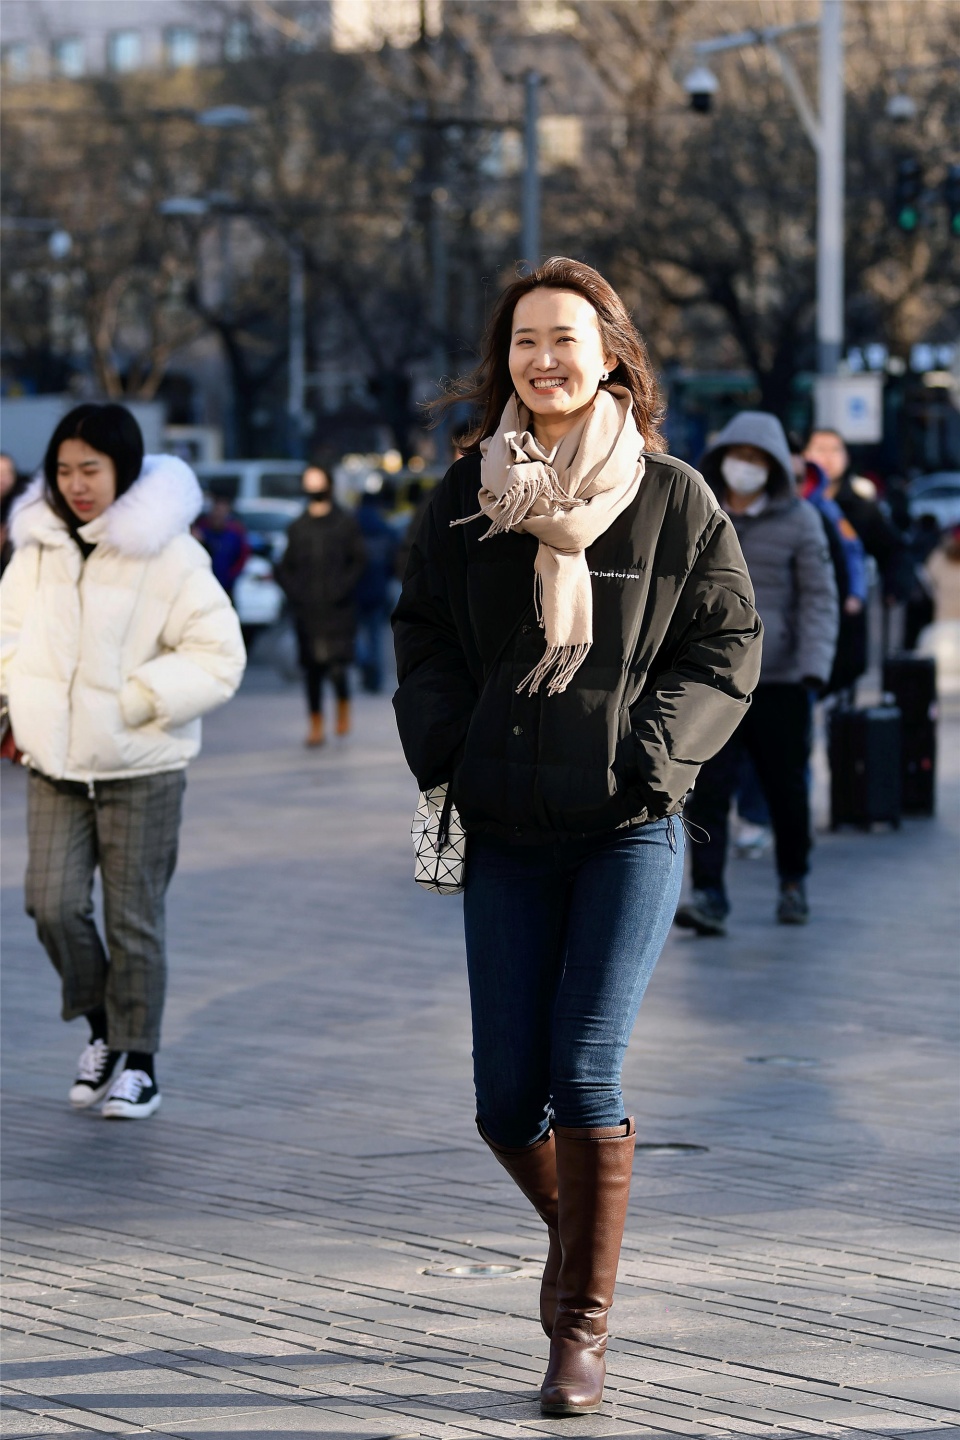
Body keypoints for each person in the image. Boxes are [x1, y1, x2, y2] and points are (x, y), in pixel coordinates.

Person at [392, 257, 762, 1417]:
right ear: (503, 362)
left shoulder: (673, 497)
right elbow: (421, 636)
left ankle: (578, 1332)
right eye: (522, 343)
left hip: (628, 831)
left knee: (583, 1070)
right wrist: (449, 744)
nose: (542, 360)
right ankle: (586, 1243)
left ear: (611, 354)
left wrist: (654, 756)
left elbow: (727, 646)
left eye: (565, 338)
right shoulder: (467, 498)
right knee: (507, 1099)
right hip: (505, 827)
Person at [0, 404, 246, 1119]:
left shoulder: (166, 553)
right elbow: (7, 635)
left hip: (142, 765)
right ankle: (106, 1030)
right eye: (64, 470)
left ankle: (139, 1063)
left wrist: (139, 700)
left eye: (92, 470)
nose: (76, 485)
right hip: (54, 764)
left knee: (133, 917)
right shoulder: (37, 545)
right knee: (50, 904)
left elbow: (218, 655)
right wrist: (17, 704)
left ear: (123, 472)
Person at [675, 413, 837, 936]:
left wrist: (814, 667)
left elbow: (818, 598)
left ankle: (794, 881)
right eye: (737, 457)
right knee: (710, 791)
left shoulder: (801, 521)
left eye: (756, 459)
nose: (746, 468)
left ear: (772, 467)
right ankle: (708, 894)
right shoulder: (702, 512)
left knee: (785, 789)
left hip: (783, 679)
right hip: (715, 678)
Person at [276, 463, 366, 746]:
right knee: (312, 670)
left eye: (317, 481)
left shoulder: (344, 522)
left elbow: (359, 561)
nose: (313, 488)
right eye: (308, 482)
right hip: (308, 611)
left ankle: (343, 709)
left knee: (338, 667)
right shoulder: (298, 527)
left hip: (338, 609)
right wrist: (296, 593)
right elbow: (285, 566)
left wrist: (342, 588)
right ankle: (315, 724)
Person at [803, 428, 912, 603]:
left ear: (846, 457)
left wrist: (893, 588)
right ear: (804, 455)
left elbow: (893, 550)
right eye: (820, 449)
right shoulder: (795, 502)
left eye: (835, 450)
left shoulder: (863, 507)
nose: (828, 457)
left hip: (848, 609)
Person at [354, 484, 399, 693]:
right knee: (375, 636)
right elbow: (394, 558)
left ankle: (365, 663)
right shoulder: (384, 528)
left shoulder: (351, 527)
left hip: (353, 588)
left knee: (351, 635)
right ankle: (376, 678)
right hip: (378, 588)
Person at [192, 493, 250, 600]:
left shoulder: (235, 531)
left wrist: (231, 575)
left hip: (227, 586)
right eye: (216, 509)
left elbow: (243, 556)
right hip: (204, 585)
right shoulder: (200, 530)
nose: (219, 514)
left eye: (222, 510)